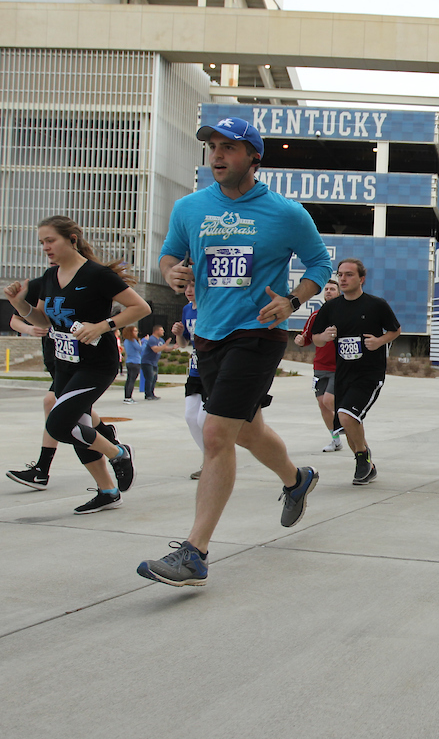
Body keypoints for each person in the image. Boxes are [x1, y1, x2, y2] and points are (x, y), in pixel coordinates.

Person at [138, 115, 331, 587]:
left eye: (229, 147)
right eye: (213, 147)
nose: (218, 155)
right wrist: (172, 273)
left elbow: (320, 263)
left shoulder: (286, 212)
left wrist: (291, 300)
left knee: (216, 435)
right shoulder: (189, 208)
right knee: (247, 431)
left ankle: (195, 553)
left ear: (253, 156)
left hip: (258, 332)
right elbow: (170, 254)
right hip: (210, 333)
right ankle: (296, 478)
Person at [2, 215, 147, 511]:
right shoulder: (49, 278)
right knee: (79, 425)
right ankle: (107, 491)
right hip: (65, 363)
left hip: (96, 364)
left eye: (50, 240)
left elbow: (140, 307)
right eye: (41, 242)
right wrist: (20, 304)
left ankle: (118, 453)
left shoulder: (96, 275)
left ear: (71, 239)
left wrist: (103, 325)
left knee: (59, 424)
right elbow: (43, 319)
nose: (45, 247)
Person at [310, 258, 401, 486]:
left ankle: (362, 457)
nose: (343, 278)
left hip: (369, 374)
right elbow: (316, 339)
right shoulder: (331, 308)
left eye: (349, 274)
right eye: (340, 274)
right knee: (348, 423)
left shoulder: (376, 305)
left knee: (347, 416)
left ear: (361, 279)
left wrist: (379, 341)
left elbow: (395, 330)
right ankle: (365, 463)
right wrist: (325, 336)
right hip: (343, 373)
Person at [295, 279, 344, 453]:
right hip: (320, 367)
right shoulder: (316, 316)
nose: (329, 291)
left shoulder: (344, 314)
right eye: (327, 289)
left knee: (329, 400)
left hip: (339, 367)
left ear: (339, 293)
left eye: (332, 289)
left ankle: (348, 421)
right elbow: (306, 338)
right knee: (322, 405)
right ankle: (336, 440)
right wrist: (300, 340)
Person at [171, 280, 208, 479]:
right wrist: (178, 334)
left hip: (211, 371)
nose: (189, 291)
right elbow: (184, 343)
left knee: (203, 420)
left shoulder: (210, 307)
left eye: (194, 286)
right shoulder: (186, 310)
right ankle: (209, 459)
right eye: (186, 287)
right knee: (190, 417)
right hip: (194, 371)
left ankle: (214, 461)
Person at [139, 325, 169, 400]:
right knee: (149, 378)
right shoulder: (152, 339)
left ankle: (152, 393)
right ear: (156, 331)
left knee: (154, 378)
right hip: (147, 362)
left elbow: (165, 349)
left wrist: (173, 347)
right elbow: (155, 349)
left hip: (154, 362)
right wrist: (165, 344)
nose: (163, 332)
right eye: (161, 330)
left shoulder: (161, 340)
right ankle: (148, 395)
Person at [121, 325, 142, 403]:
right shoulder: (132, 340)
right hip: (135, 361)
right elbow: (140, 349)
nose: (137, 333)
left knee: (129, 380)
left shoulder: (126, 341)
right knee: (132, 380)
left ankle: (127, 396)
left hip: (129, 361)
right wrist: (145, 341)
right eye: (135, 331)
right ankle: (128, 397)